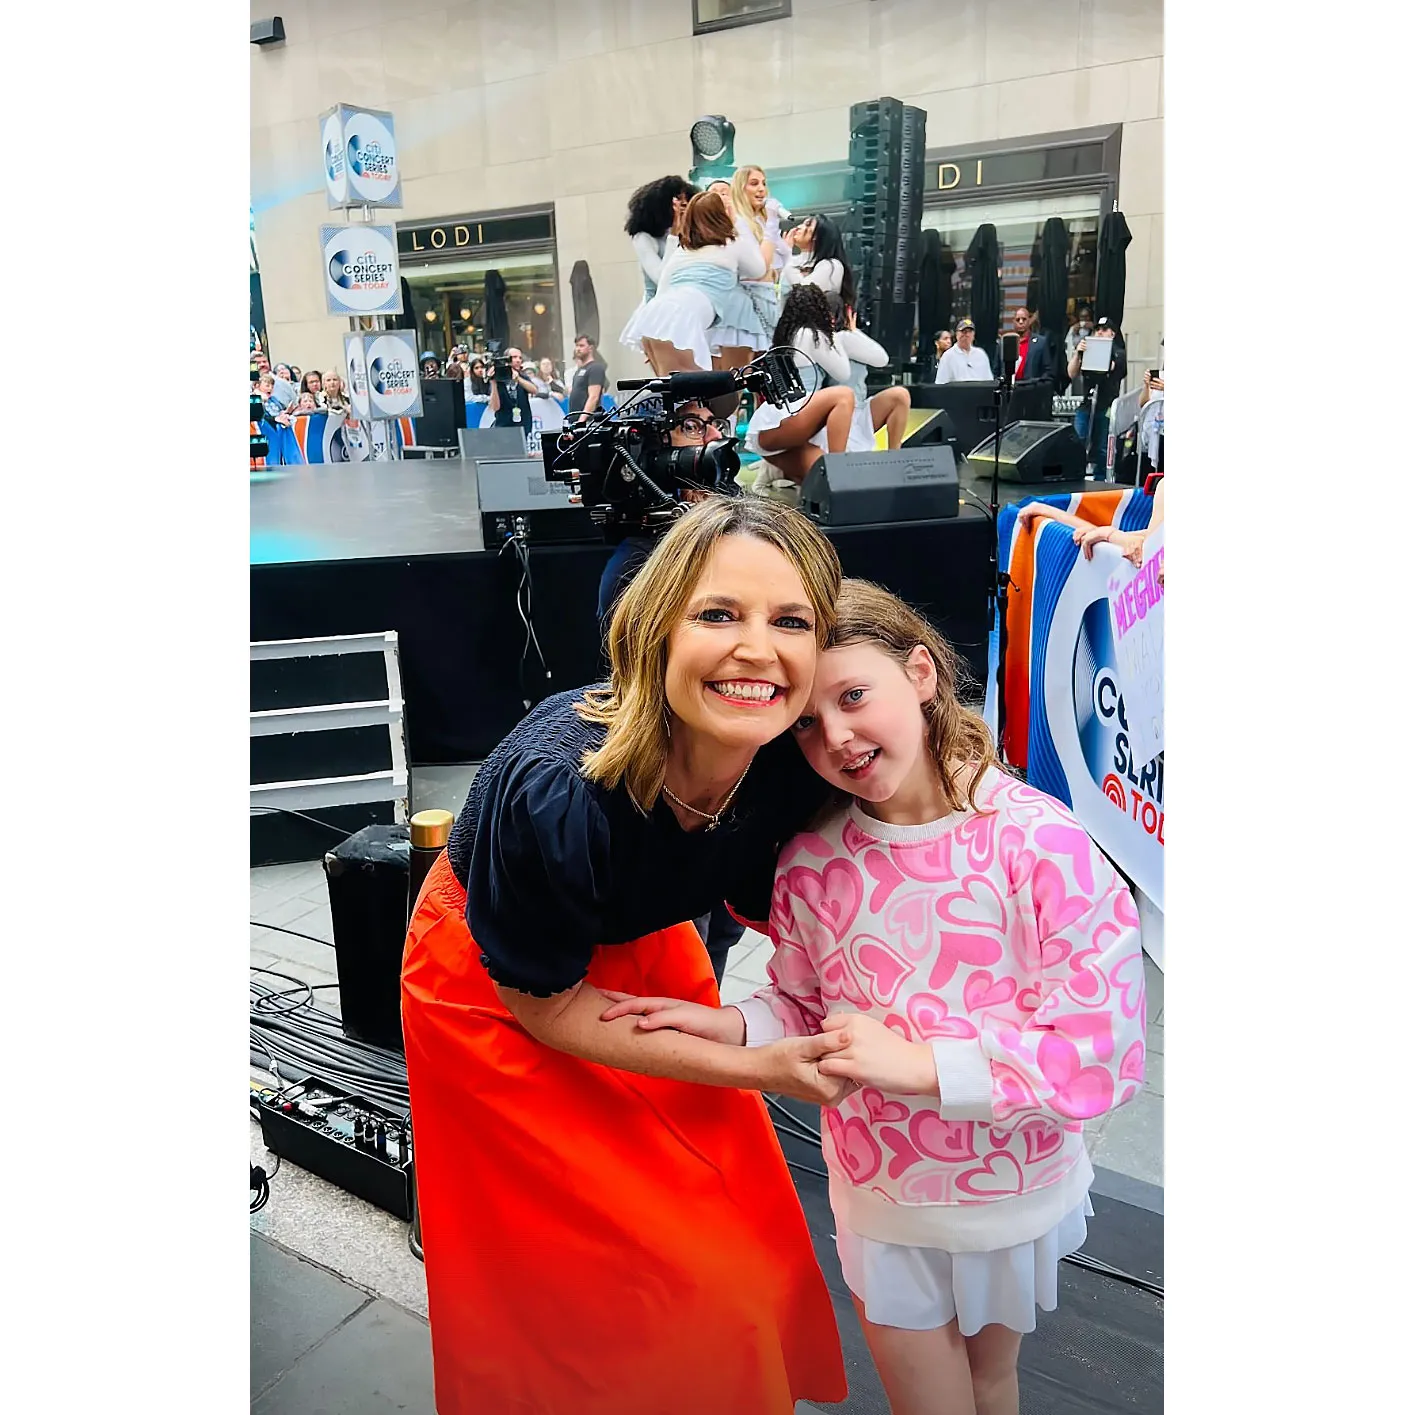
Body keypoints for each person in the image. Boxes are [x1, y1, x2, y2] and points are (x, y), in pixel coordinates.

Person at [604, 576, 1145, 1415]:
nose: (839, 738)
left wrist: (922, 1064)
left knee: (993, 1380)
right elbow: (801, 1002)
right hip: (883, 1195)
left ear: (921, 674)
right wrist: (729, 1022)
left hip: (1013, 1191)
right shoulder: (813, 861)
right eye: (808, 725)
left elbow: (1097, 1054)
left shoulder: (1043, 847)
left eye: (854, 696)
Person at [402, 496, 852, 1415]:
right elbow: (545, 1005)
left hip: (639, 943)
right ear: (654, 628)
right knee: (603, 1275)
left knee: (741, 1226)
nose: (757, 649)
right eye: (718, 614)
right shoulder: (558, 790)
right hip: (498, 987)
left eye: (790, 620)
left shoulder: (786, 751)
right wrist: (755, 1062)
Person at [625, 192, 768, 375]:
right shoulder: (731, 244)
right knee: (691, 395)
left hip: (653, 315)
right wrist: (738, 224)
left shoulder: (682, 251)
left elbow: (662, 286)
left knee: (671, 390)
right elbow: (758, 269)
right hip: (683, 316)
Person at [743, 285, 858, 487]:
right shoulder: (811, 334)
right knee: (844, 395)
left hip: (772, 423)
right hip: (794, 412)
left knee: (817, 475)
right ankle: (838, 467)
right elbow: (843, 373)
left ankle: (781, 471)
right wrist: (834, 333)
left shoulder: (788, 333)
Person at [619, 174, 695, 360]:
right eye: (678, 205)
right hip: (659, 315)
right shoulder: (643, 238)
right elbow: (662, 278)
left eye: (687, 205)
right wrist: (674, 237)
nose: (682, 210)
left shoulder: (690, 234)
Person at [1067, 316, 1127, 476]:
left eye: (1104, 330)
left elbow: (1110, 367)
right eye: (1097, 329)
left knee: (1102, 447)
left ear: (1112, 334)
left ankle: (1100, 478)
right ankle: (1075, 474)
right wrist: (1078, 354)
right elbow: (1071, 373)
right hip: (1087, 404)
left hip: (1106, 405)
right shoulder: (1087, 350)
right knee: (1078, 441)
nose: (1100, 333)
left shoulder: (1119, 353)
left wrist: (1097, 351)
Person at [780, 214, 855, 305]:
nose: (798, 227)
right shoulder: (793, 261)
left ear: (817, 235)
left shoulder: (831, 265)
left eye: (807, 225)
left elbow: (804, 294)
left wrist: (787, 255)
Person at [992, 302, 1055, 384]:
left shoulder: (1041, 342)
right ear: (1013, 322)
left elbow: (1048, 371)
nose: (1021, 322)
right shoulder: (1004, 343)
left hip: (1031, 389)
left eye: (1024, 319)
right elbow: (996, 371)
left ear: (1029, 320)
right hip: (1009, 390)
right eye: (1018, 320)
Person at [933, 316, 994, 384]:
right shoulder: (947, 356)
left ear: (973, 335)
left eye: (970, 332)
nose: (967, 334)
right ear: (957, 334)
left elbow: (989, 381)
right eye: (963, 331)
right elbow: (941, 383)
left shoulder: (981, 355)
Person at [488, 347, 537, 431]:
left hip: (523, 424)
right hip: (504, 425)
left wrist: (519, 379)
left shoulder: (522, 376)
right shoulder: (499, 378)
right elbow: (495, 407)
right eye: (514, 357)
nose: (518, 360)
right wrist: (493, 382)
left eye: (520, 358)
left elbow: (534, 390)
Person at [567, 333, 607, 420]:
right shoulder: (579, 370)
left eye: (581, 346)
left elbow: (593, 397)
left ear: (590, 348)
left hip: (588, 422)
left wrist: (582, 419)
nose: (578, 349)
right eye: (576, 346)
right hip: (574, 419)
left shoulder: (595, 368)